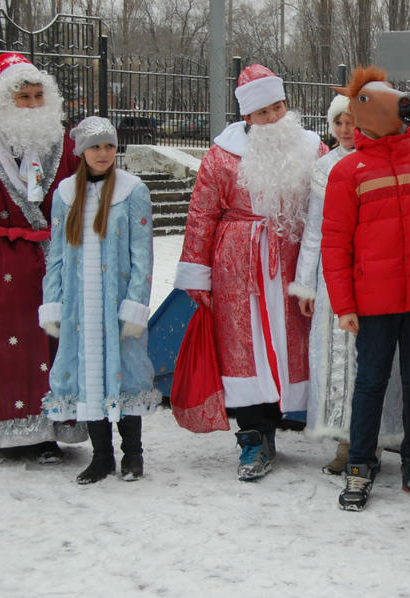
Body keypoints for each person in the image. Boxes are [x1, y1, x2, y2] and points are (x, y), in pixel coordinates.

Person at [174, 64, 327, 481]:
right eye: (265, 112)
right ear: (248, 117)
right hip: (238, 267)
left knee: (286, 341)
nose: (275, 118)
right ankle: (252, 437)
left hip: (292, 262)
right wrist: (197, 273)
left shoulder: (314, 150)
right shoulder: (221, 157)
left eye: (279, 107)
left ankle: (273, 424)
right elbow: (202, 214)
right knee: (245, 348)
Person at [322, 66, 410, 511]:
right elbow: (335, 244)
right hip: (373, 301)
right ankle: (360, 465)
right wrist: (344, 304)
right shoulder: (348, 172)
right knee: (371, 383)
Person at [39, 116, 160, 483]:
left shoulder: (132, 191)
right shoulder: (64, 195)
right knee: (88, 377)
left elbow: (143, 255)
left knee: (125, 376)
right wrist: (54, 301)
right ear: (82, 152)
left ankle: (132, 455)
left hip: (117, 306)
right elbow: (57, 254)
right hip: (81, 308)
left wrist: (135, 305)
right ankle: (102, 456)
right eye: (96, 147)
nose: (104, 153)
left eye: (109, 146)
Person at [288, 95, 403, 475]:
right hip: (333, 274)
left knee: (372, 357)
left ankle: (374, 439)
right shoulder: (323, 167)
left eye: (352, 122)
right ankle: (345, 441)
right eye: (339, 123)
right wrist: (306, 283)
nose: (346, 130)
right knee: (338, 359)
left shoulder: (380, 160)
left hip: (373, 272)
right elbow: (314, 229)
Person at [0, 53, 87, 462]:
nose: (31, 103)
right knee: (0, 348)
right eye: (23, 96)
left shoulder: (63, 144)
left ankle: (48, 431)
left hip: (51, 257)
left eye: (38, 95)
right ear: (5, 101)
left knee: (50, 345)